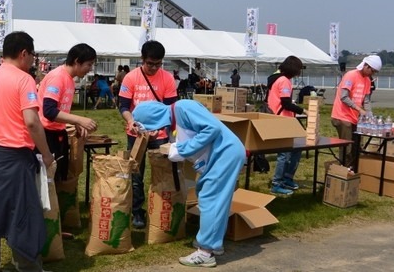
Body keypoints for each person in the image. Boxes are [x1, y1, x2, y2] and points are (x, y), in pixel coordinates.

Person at [0, 31, 54, 272]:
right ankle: (27, 267)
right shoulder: (23, 79)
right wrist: (46, 154)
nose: (32, 61)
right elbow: (32, 121)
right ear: (24, 53)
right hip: (15, 157)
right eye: (32, 56)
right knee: (23, 216)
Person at [132, 100, 246, 268]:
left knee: (210, 199)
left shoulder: (183, 108)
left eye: (148, 126)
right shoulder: (175, 116)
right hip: (221, 155)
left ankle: (205, 252)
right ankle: (214, 243)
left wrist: (182, 150)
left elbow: (211, 128)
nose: (151, 131)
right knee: (210, 197)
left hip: (225, 154)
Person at [118, 40, 178, 228]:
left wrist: (162, 128)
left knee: (164, 172)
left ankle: (162, 208)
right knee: (136, 174)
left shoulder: (167, 78)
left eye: (158, 64)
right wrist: (131, 122)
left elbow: (171, 109)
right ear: (142, 59)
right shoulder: (131, 78)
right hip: (136, 134)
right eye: (150, 63)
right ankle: (137, 212)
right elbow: (123, 106)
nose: (153, 68)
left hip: (160, 134)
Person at [38, 43, 98, 181]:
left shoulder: (69, 79)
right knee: (49, 180)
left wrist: (73, 123)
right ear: (77, 61)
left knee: (59, 176)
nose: (90, 69)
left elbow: (60, 109)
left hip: (58, 132)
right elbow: (49, 111)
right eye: (89, 64)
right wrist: (79, 120)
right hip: (46, 135)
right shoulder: (58, 77)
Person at [266, 55, 307, 196]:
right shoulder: (284, 81)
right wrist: (303, 110)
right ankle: (277, 183)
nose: (299, 73)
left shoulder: (277, 79)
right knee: (284, 154)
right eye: (299, 70)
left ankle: (287, 177)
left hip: (280, 118)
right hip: (282, 120)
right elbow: (286, 104)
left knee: (296, 149)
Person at [331, 55, 381, 167]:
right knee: (347, 148)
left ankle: (352, 171)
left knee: (356, 147)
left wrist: (370, 116)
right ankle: (343, 173)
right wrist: (359, 109)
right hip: (342, 116)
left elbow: (366, 101)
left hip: (354, 118)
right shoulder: (351, 75)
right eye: (372, 70)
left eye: (375, 72)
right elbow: (344, 97)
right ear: (366, 66)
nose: (372, 74)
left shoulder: (368, 80)